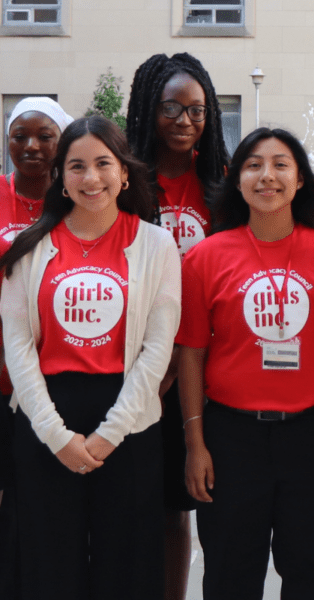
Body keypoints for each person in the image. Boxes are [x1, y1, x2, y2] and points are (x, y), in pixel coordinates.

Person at [177, 127, 314, 600]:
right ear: (236, 179)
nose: (267, 176)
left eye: (281, 164)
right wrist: (196, 443)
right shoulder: (204, 258)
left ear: (301, 179)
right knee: (229, 573)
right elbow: (192, 355)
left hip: (313, 435)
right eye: (254, 165)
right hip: (230, 438)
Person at [0, 115, 181, 600]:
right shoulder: (27, 248)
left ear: (124, 173)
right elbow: (17, 346)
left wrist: (108, 435)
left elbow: (157, 350)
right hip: (44, 417)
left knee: (127, 565)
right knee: (47, 564)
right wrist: (55, 435)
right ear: (61, 176)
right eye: (76, 166)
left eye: (103, 163)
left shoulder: (157, 245)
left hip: (130, 419)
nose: (91, 178)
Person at [126, 51, 228, 600]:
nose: (186, 121)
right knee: (139, 503)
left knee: (186, 505)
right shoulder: (123, 182)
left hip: (205, 370)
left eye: (197, 109)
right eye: (172, 108)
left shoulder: (223, 184)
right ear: (148, 108)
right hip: (137, 368)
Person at [0, 96, 73, 598]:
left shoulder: (72, 206)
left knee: (41, 508)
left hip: (52, 384)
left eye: (45, 136)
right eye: (19, 135)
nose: (30, 146)